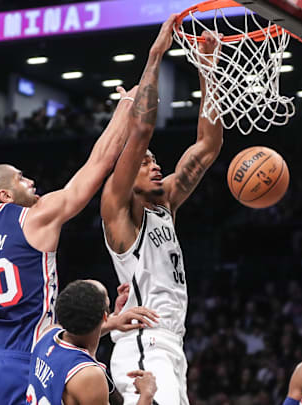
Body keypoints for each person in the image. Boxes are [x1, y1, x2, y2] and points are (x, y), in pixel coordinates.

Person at [0, 84, 158, 405]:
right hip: (15, 363)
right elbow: (97, 165)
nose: (30, 181)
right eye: (20, 178)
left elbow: (12, 316)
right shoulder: (31, 218)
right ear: (5, 195)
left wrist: (105, 323)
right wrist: (126, 105)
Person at [100, 17, 224, 405]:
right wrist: (156, 55)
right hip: (143, 343)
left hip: (171, 343)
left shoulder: (165, 202)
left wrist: (208, 67)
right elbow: (141, 132)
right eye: (144, 163)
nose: (155, 165)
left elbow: (208, 144)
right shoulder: (118, 208)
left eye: (156, 161)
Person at [26, 280, 157, 405]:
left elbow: (77, 331)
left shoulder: (48, 334)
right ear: (105, 316)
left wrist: (114, 322)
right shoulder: (89, 376)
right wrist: (147, 394)